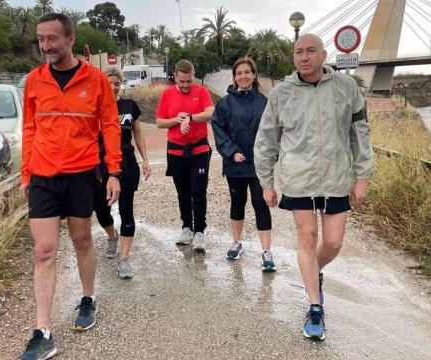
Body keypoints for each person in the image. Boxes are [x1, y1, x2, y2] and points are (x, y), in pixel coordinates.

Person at [254, 34, 374, 341]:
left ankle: (312, 270)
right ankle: (315, 307)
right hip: (299, 178)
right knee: (307, 237)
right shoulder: (281, 94)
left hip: (336, 177)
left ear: (323, 55)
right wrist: (266, 182)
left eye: (310, 51)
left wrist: (362, 176)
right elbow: (266, 140)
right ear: (293, 58)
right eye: (298, 52)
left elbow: (359, 133)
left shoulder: (346, 89)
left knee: (333, 243)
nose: (304, 57)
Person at [18, 13, 122, 360]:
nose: (45, 46)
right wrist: (25, 175)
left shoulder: (96, 80)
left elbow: (110, 125)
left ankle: (88, 298)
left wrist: (114, 171)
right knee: (44, 250)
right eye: (41, 39)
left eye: (52, 39)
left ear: (70, 39)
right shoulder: (34, 80)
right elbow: (29, 129)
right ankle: (42, 331)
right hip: (43, 177)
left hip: (82, 174)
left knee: (81, 240)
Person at [211, 57, 275, 271]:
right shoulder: (225, 103)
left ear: (254, 75)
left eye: (247, 72)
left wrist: (268, 157)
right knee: (237, 203)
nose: (243, 76)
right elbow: (219, 129)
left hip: (259, 166)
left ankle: (266, 252)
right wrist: (232, 152)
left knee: (261, 204)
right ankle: (237, 243)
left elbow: (272, 132)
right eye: (239, 73)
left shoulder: (264, 102)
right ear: (234, 77)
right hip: (235, 165)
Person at [93, 67, 151, 279]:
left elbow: (137, 132)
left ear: (121, 84)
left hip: (126, 163)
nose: (113, 86)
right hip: (99, 164)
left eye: (117, 83)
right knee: (100, 209)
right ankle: (111, 236)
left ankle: (125, 259)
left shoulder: (129, 106)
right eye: (109, 82)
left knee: (127, 210)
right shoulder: (94, 107)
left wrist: (145, 160)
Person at [156, 60, 215, 251]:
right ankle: (187, 227)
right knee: (183, 192)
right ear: (175, 77)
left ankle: (199, 232)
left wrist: (191, 117)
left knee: (198, 190)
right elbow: (159, 122)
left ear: (193, 75)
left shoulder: (202, 92)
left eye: (189, 80)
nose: (186, 85)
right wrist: (176, 119)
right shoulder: (167, 94)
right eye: (182, 81)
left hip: (199, 150)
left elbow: (211, 113)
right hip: (176, 151)